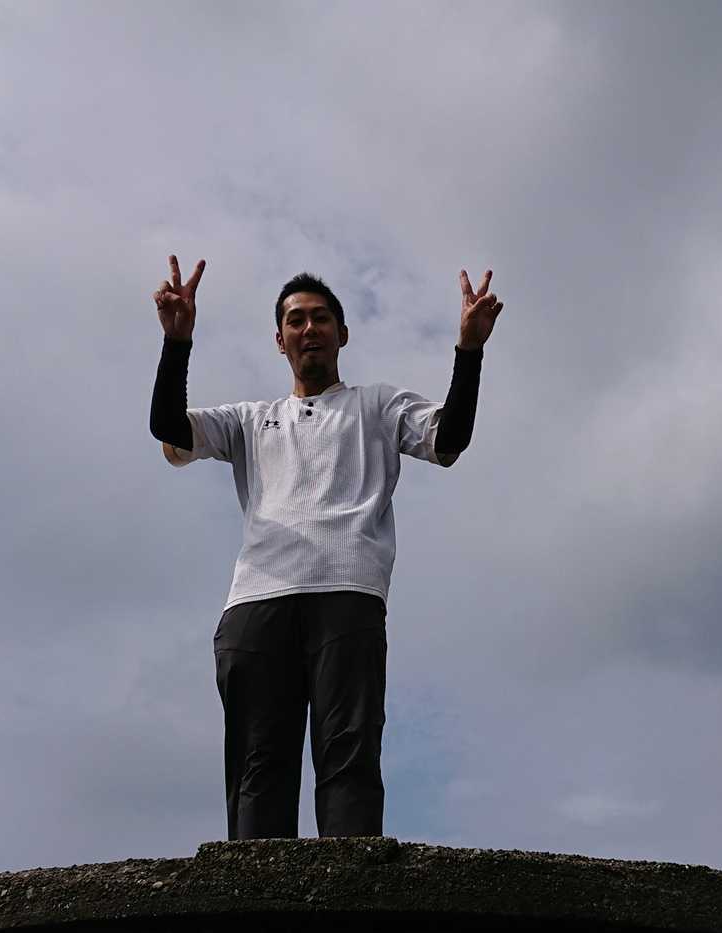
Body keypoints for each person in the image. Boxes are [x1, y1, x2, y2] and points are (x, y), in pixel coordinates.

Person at [148, 256, 503, 839]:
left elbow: (450, 439)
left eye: (320, 318)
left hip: (348, 592)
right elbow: (169, 428)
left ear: (343, 333)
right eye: (295, 320)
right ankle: (257, 893)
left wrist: (469, 351)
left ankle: (351, 892)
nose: (308, 328)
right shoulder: (250, 419)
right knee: (258, 766)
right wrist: (177, 342)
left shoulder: (378, 405)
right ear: (279, 340)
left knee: (348, 758)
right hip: (257, 600)